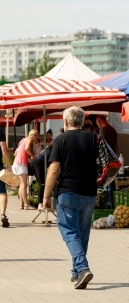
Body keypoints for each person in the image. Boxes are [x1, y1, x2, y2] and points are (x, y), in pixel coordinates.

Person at [44, 106, 98, 289]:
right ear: (82, 122)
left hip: (68, 193)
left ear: (65, 122)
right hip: (89, 193)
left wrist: (46, 195)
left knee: (69, 231)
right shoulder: (94, 138)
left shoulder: (61, 140)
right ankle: (76, 273)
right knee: (82, 235)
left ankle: (82, 268)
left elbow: (53, 170)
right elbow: (109, 164)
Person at [12, 129, 39, 210]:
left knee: (21, 185)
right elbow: (27, 148)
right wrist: (32, 156)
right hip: (22, 164)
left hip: (16, 163)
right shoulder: (29, 139)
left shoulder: (23, 140)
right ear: (33, 135)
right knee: (24, 185)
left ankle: (22, 204)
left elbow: (16, 152)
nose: (36, 140)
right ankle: (27, 205)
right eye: (36, 137)